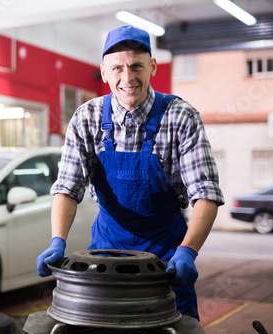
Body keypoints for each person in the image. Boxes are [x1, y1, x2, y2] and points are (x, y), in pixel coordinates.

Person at [37, 25, 224, 325]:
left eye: (136, 66)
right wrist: (57, 239)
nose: (127, 77)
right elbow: (68, 187)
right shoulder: (87, 118)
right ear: (104, 71)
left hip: (166, 257)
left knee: (171, 326)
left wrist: (188, 250)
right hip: (105, 254)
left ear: (152, 66)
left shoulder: (180, 116)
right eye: (117, 68)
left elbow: (206, 193)